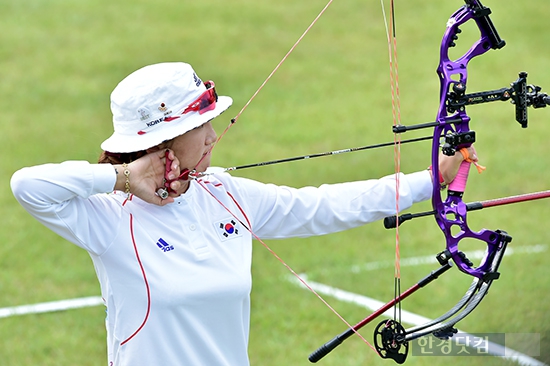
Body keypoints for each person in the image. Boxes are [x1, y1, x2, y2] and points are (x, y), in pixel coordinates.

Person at [11, 62, 475, 366]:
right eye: (199, 126)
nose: (213, 136)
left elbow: (323, 206)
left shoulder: (223, 192)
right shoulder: (110, 217)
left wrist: (432, 178)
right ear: (164, 142)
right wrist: (122, 179)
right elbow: (27, 186)